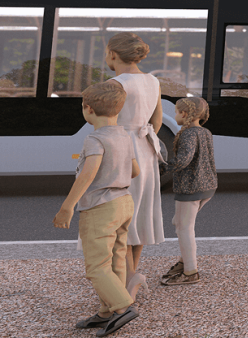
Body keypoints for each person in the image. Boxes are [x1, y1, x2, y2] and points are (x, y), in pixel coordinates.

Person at [55, 80, 140, 335]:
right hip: (124, 202)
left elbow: (87, 175)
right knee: (116, 259)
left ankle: (122, 307)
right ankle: (106, 312)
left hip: (100, 207)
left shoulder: (94, 139)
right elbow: (135, 170)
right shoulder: (124, 135)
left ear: (87, 108)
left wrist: (67, 207)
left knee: (96, 267)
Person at [105, 33, 163, 303]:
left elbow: (107, 123)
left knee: (119, 218)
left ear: (113, 54)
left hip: (122, 152)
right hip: (146, 149)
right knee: (137, 216)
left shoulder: (115, 83)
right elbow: (157, 120)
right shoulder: (153, 81)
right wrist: (143, 138)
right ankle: (131, 279)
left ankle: (129, 279)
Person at [161, 97, 215, 287]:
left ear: (184, 114)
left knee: (184, 228)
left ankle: (190, 271)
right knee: (179, 222)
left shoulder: (188, 134)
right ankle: (185, 260)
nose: (175, 115)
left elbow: (184, 159)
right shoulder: (205, 132)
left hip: (191, 187)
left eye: (176, 112)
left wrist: (162, 166)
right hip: (207, 186)